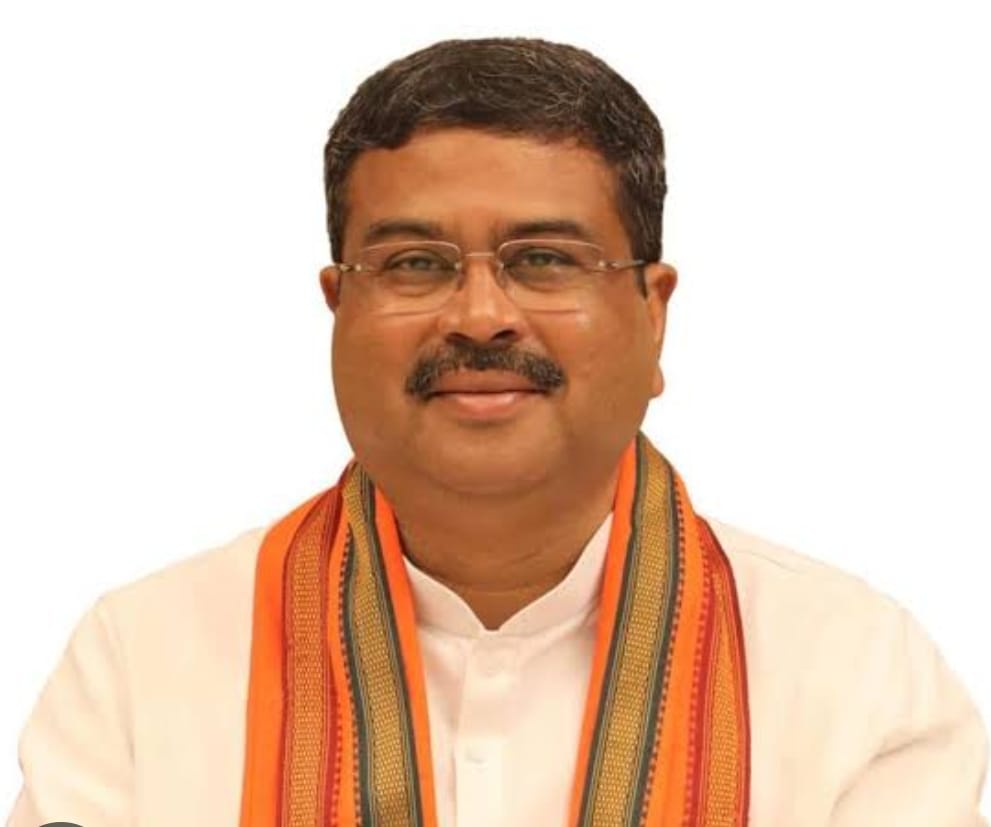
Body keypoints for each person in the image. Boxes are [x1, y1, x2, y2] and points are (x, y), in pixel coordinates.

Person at [6, 37, 988, 827]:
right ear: (336, 308)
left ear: (653, 314)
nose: (480, 315)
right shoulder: (146, 657)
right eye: (414, 263)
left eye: (543, 259)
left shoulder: (850, 668)